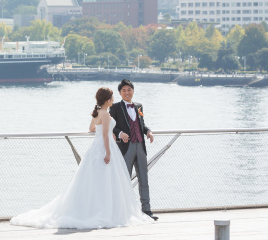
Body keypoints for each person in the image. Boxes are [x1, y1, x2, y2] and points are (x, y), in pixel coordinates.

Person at [10, 87, 153, 229]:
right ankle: (106, 210)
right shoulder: (105, 113)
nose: (113, 99)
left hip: (95, 148)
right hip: (105, 147)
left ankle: (92, 208)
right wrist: (108, 151)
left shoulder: (97, 112)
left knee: (93, 181)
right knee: (108, 180)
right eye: (112, 97)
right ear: (108, 99)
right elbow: (104, 135)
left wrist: (109, 132)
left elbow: (92, 129)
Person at [109, 78, 157, 220]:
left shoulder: (139, 106)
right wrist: (120, 133)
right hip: (126, 147)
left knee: (144, 179)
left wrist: (148, 131)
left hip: (140, 146)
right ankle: (124, 212)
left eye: (129, 90)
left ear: (133, 91)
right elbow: (111, 126)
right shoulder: (116, 107)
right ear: (119, 93)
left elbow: (141, 124)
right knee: (125, 180)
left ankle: (147, 211)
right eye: (123, 90)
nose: (127, 92)